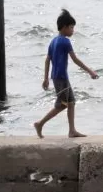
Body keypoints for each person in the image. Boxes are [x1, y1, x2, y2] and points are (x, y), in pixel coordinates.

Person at [35, 9, 98, 138]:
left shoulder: (53, 41)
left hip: (58, 77)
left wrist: (46, 78)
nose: (73, 31)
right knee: (62, 105)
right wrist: (90, 71)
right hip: (61, 78)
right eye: (71, 27)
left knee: (71, 102)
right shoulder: (65, 41)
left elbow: (47, 60)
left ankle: (72, 130)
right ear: (64, 27)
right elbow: (75, 60)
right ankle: (40, 124)